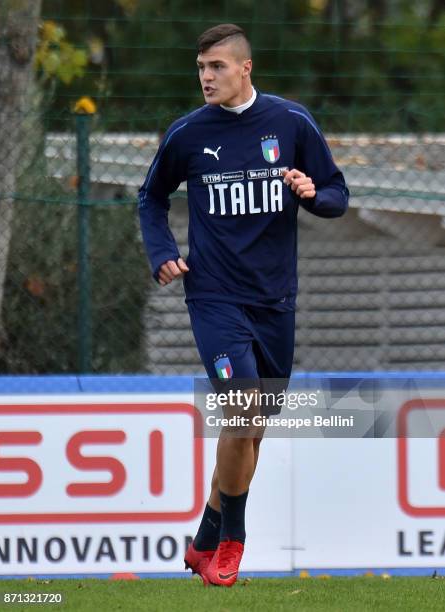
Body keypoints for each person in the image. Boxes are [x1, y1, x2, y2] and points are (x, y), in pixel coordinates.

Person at [138, 23, 348, 587]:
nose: (206, 77)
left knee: (251, 429)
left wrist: (311, 193)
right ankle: (232, 542)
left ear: (244, 68)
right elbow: (151, 196)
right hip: (213, 295)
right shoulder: (188, 133)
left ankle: (206, 535)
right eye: (201, 68)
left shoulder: (291, 122)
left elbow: (337, 194)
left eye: (217, 67)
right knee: (244, 407)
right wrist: (162, 252)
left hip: (276, 299)